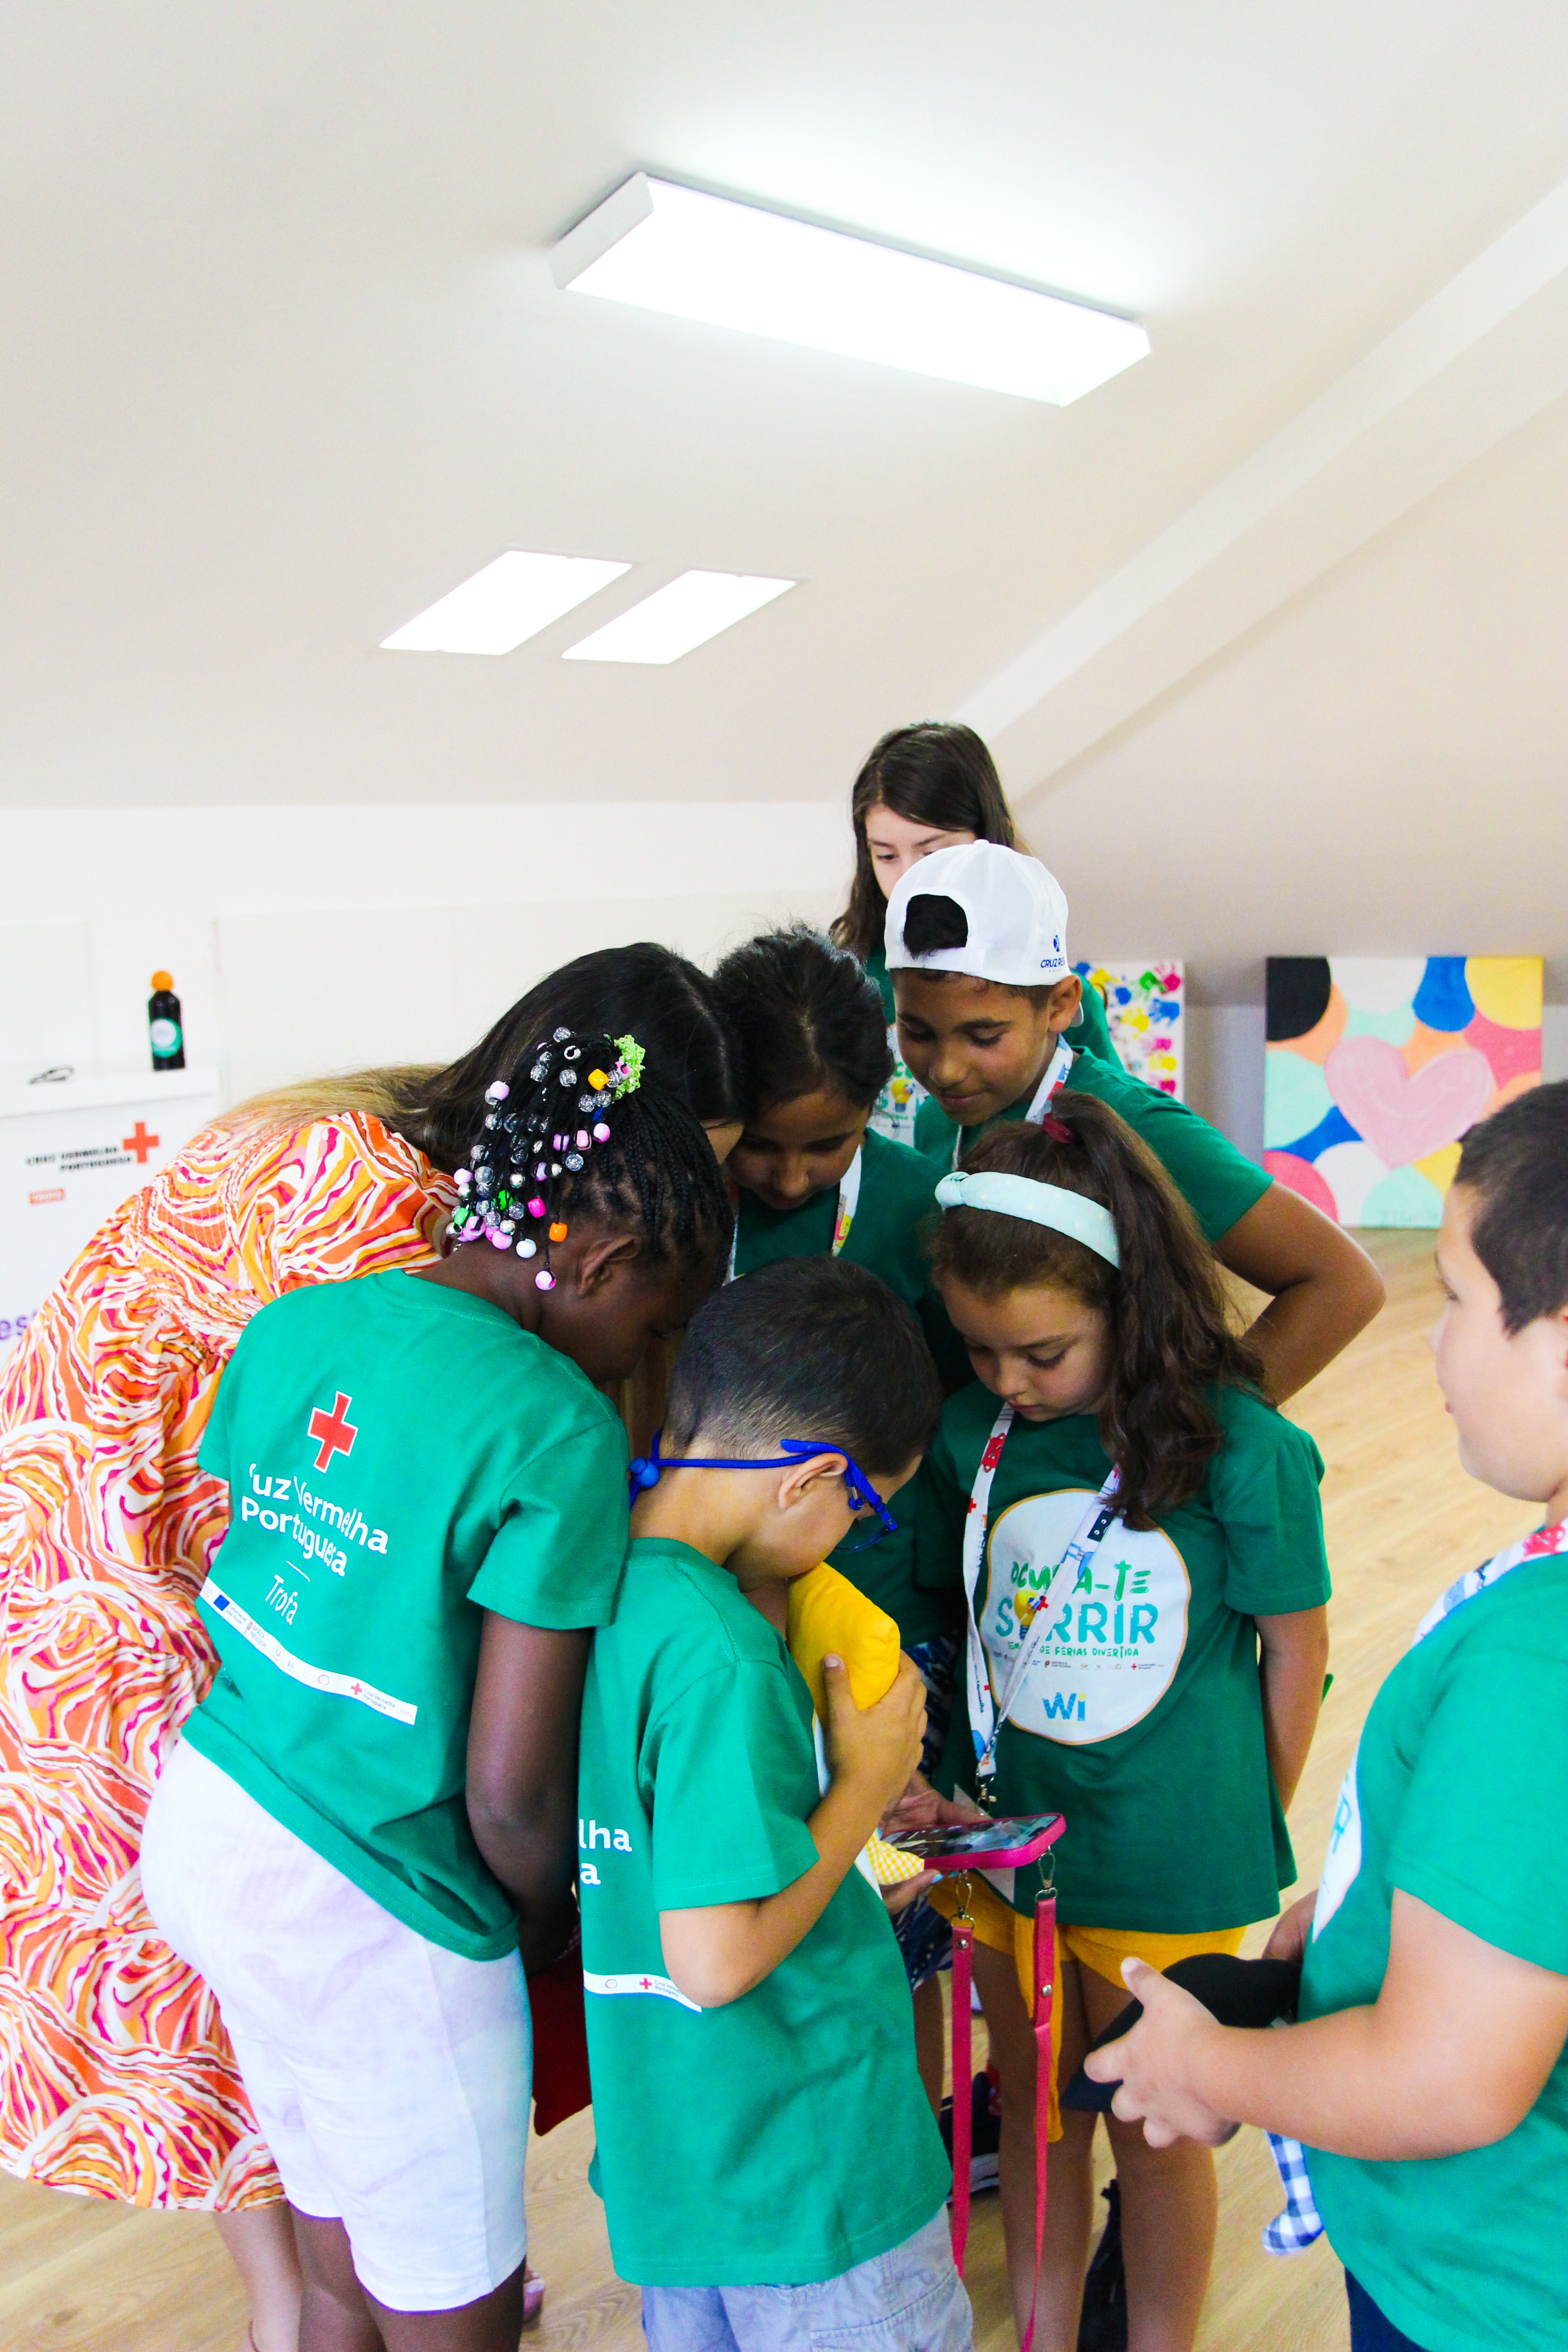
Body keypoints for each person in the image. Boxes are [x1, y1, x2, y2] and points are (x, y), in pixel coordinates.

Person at [0, 944, 741, 2352]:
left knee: (338, 2248)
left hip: (211, 1817)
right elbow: (509, 1794)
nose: (633, 1364)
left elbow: (271, 1531)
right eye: (652, 1326)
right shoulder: (554, 1428)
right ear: (600, 1258)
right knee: (458, 2311)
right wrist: (546, 1923)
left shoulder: (312, 1318)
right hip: (371, 1899)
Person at [1084, 1083, 1568, 2352]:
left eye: (1455, 1300)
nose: (1433, 1344)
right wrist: (1361, 1911)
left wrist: (1201, 2066)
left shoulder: (1539, 1661)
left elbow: (1447, 2075)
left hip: (1483, 2297)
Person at [911, 1103, 1331, 2350]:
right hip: (1005, 1854)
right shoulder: (968, 1438)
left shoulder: (1243, 1447)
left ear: (1128, 1304)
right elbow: (949, 1628)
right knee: (1035, 2114)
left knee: (1154, 2135)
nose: (1007, 1380)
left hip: (1169, 1861)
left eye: (1042, 1352)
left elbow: (1295, 1649)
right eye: (980, 1349)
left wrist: (1241, 1818)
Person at [578, 1255, 973, 2352]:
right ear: (809, 1480)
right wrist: (866, 1783)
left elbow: (680, 1870)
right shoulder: (725, 1657)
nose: (847, 1542)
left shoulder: (601, 1586)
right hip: (812, 2174)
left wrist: (862, 1876)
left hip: (677, 2167)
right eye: (864, 1513)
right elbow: (715, 1960)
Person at [710, 922, 969, 2105]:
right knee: (756, 1885)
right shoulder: (696, 1207)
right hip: (728, 1616)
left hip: (882, 1615)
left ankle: (913, 2132)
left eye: (828, 1146)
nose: (788, 1178)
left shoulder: (922, 1209)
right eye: (764, 1144)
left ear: (879, 1110)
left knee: (897, 1908)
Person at [887, 839, 1385, 1403]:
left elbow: (1343, 1282)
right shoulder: (939, 1121)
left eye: (983, 1036)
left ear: (1060, 1005)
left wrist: (1216, 1430)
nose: (946, 1070)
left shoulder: (1138, 1127)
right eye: (918, 1032)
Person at [830, 721, 1122, 1145]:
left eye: (933, 852)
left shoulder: (1048, 993)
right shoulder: (845, 983)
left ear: (987, 838)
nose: (910, 877)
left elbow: (1113, 1139)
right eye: (886, 856)